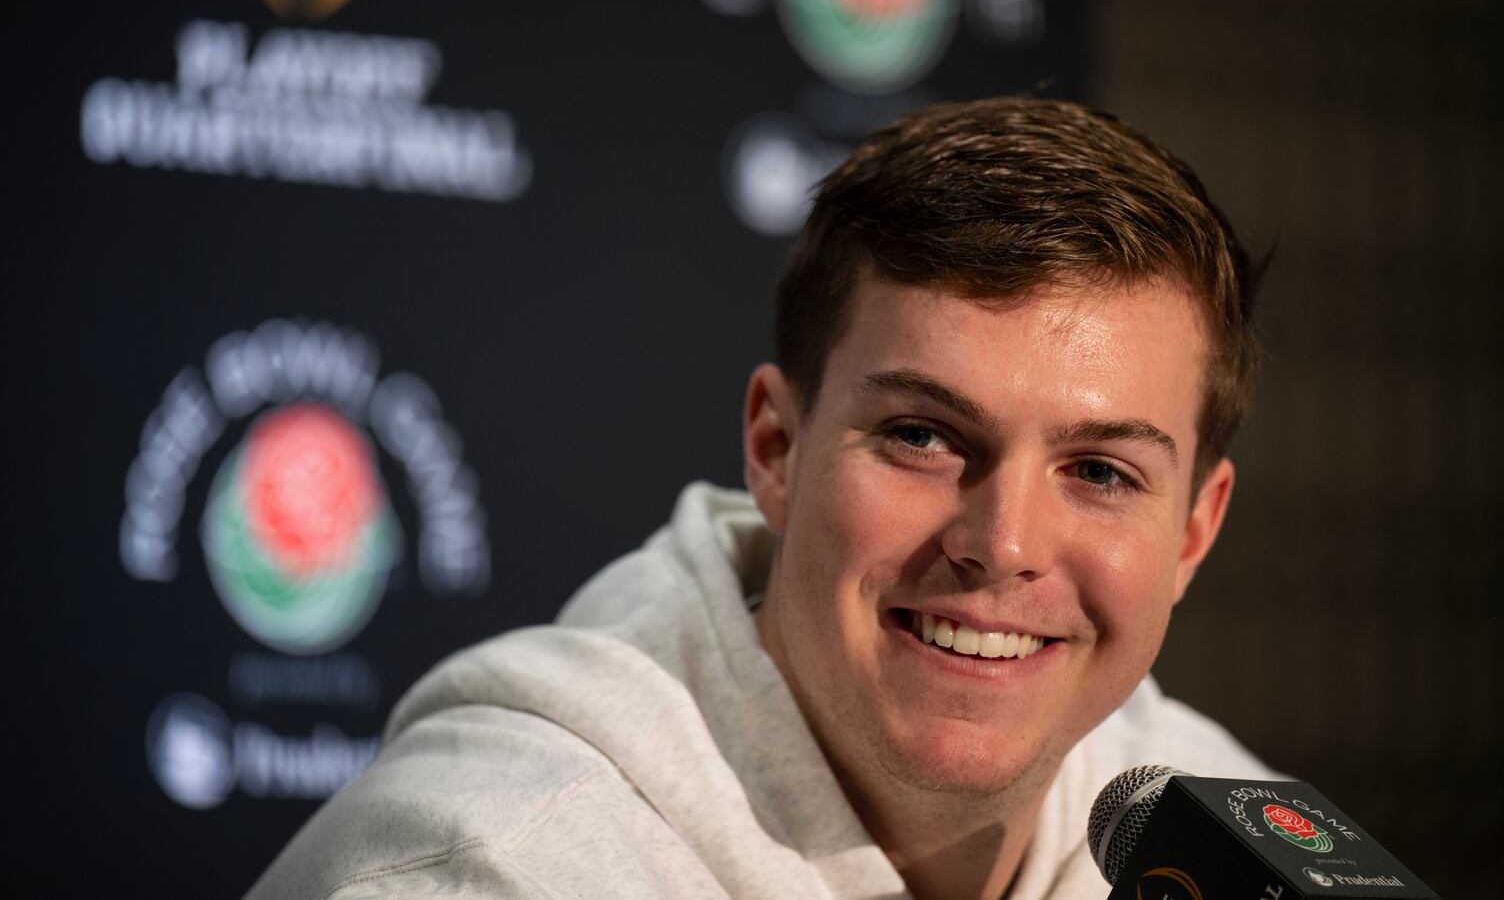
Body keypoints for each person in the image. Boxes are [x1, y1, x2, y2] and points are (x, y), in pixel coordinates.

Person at [247, 97, 1272, 900]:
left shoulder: (1228, 847)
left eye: (1099, 471)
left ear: (1192, 531)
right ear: (776, 449)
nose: (1002, 543)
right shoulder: (482, 866)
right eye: (922, 435)